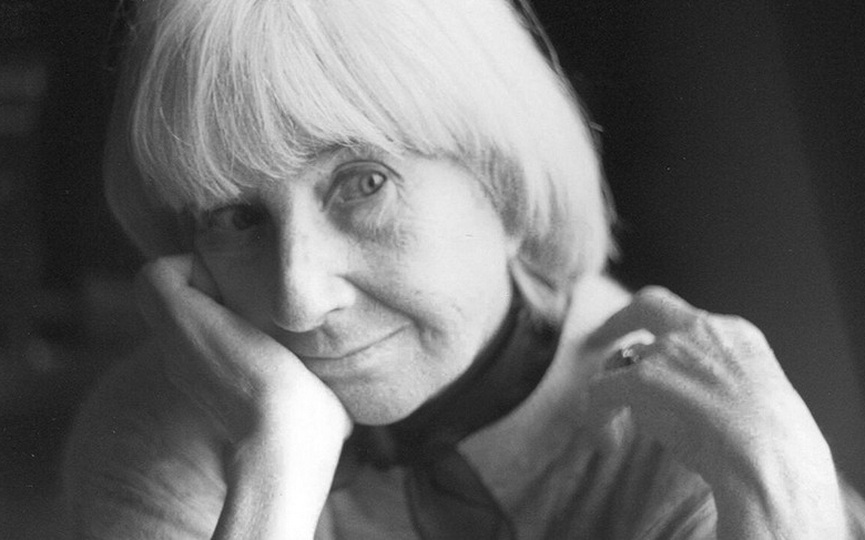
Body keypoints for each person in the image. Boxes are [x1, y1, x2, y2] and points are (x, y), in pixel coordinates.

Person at [63, 0, 865, 538]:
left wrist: (782, 485)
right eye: (236, 217)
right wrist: (279, 460)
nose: (298, 300)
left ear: (505, 190)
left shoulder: (681, 442)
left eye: (362, 183)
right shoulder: (159, 431)